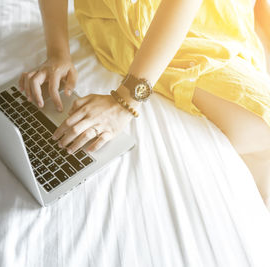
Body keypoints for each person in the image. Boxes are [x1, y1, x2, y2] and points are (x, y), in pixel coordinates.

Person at [19, 0, 270, 209]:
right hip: (113, 20)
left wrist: (125, 101)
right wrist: (57, 53)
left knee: (259, 127)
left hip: (200, 22)